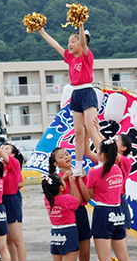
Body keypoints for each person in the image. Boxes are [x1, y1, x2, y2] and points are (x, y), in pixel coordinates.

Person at [37, 24, 102, 176]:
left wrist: (80, 24)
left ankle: (103, 159)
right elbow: (55, 45)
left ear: (81, 43)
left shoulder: (87, 55)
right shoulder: (70, 58)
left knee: (92, 129)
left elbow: (84, 43)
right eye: (69, 42)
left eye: (73, 41)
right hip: (76, 94)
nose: (69, 45)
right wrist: (42, 31)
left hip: (87, 91)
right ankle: (78, 166)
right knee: (79, 132)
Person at [80, 137, 135, 261]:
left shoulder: (95, 172)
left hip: (103, 212)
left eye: (98, 152)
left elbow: (89, 196)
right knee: (124, 257)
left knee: (105, 260)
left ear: (103, 155)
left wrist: (81, 179)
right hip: (119, 211)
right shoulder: (118, 168)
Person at [49, 147, 99, 261]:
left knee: (85, 255)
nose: (66, 157)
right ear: (56, 163)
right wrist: (66, 181)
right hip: (66, 218)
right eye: (61, 156)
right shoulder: (55, 180)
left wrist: (81, 179)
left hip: (81, 213)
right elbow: (69, 201)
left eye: (66, 154)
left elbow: (87, 198)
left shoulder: (78, 171)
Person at [42, 173, 81, 261]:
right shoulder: (66, 199)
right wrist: (73, 183)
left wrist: (60, 182)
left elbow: (53, 188)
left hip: (55, 234)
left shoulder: (48, 199)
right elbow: (78, 201)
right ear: (61, 188)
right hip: (68, 233)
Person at [1, 143, 27, 261]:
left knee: (17, 238)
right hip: (0, 202)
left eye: (5, 148)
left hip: (11, 200)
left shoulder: (14, 163)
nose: (1, 150)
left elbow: (20, 183)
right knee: (8, 239)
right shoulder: (0, 168)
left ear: (12, 154)